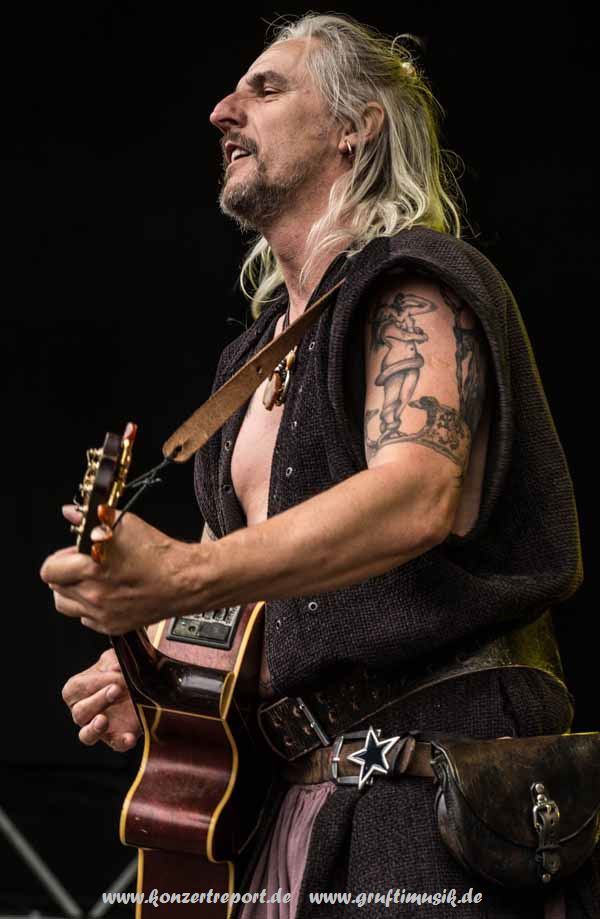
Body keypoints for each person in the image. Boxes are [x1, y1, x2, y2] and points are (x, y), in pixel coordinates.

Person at [40, 13, 597, 919]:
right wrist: (162, 667)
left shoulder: (415, 282)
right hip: (291, 806)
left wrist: (180, 575)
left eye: (265, 88)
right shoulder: (247, 362)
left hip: (432, 792)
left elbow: (416, 492)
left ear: (356, 126)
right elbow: (244, 601)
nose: (222, 110)